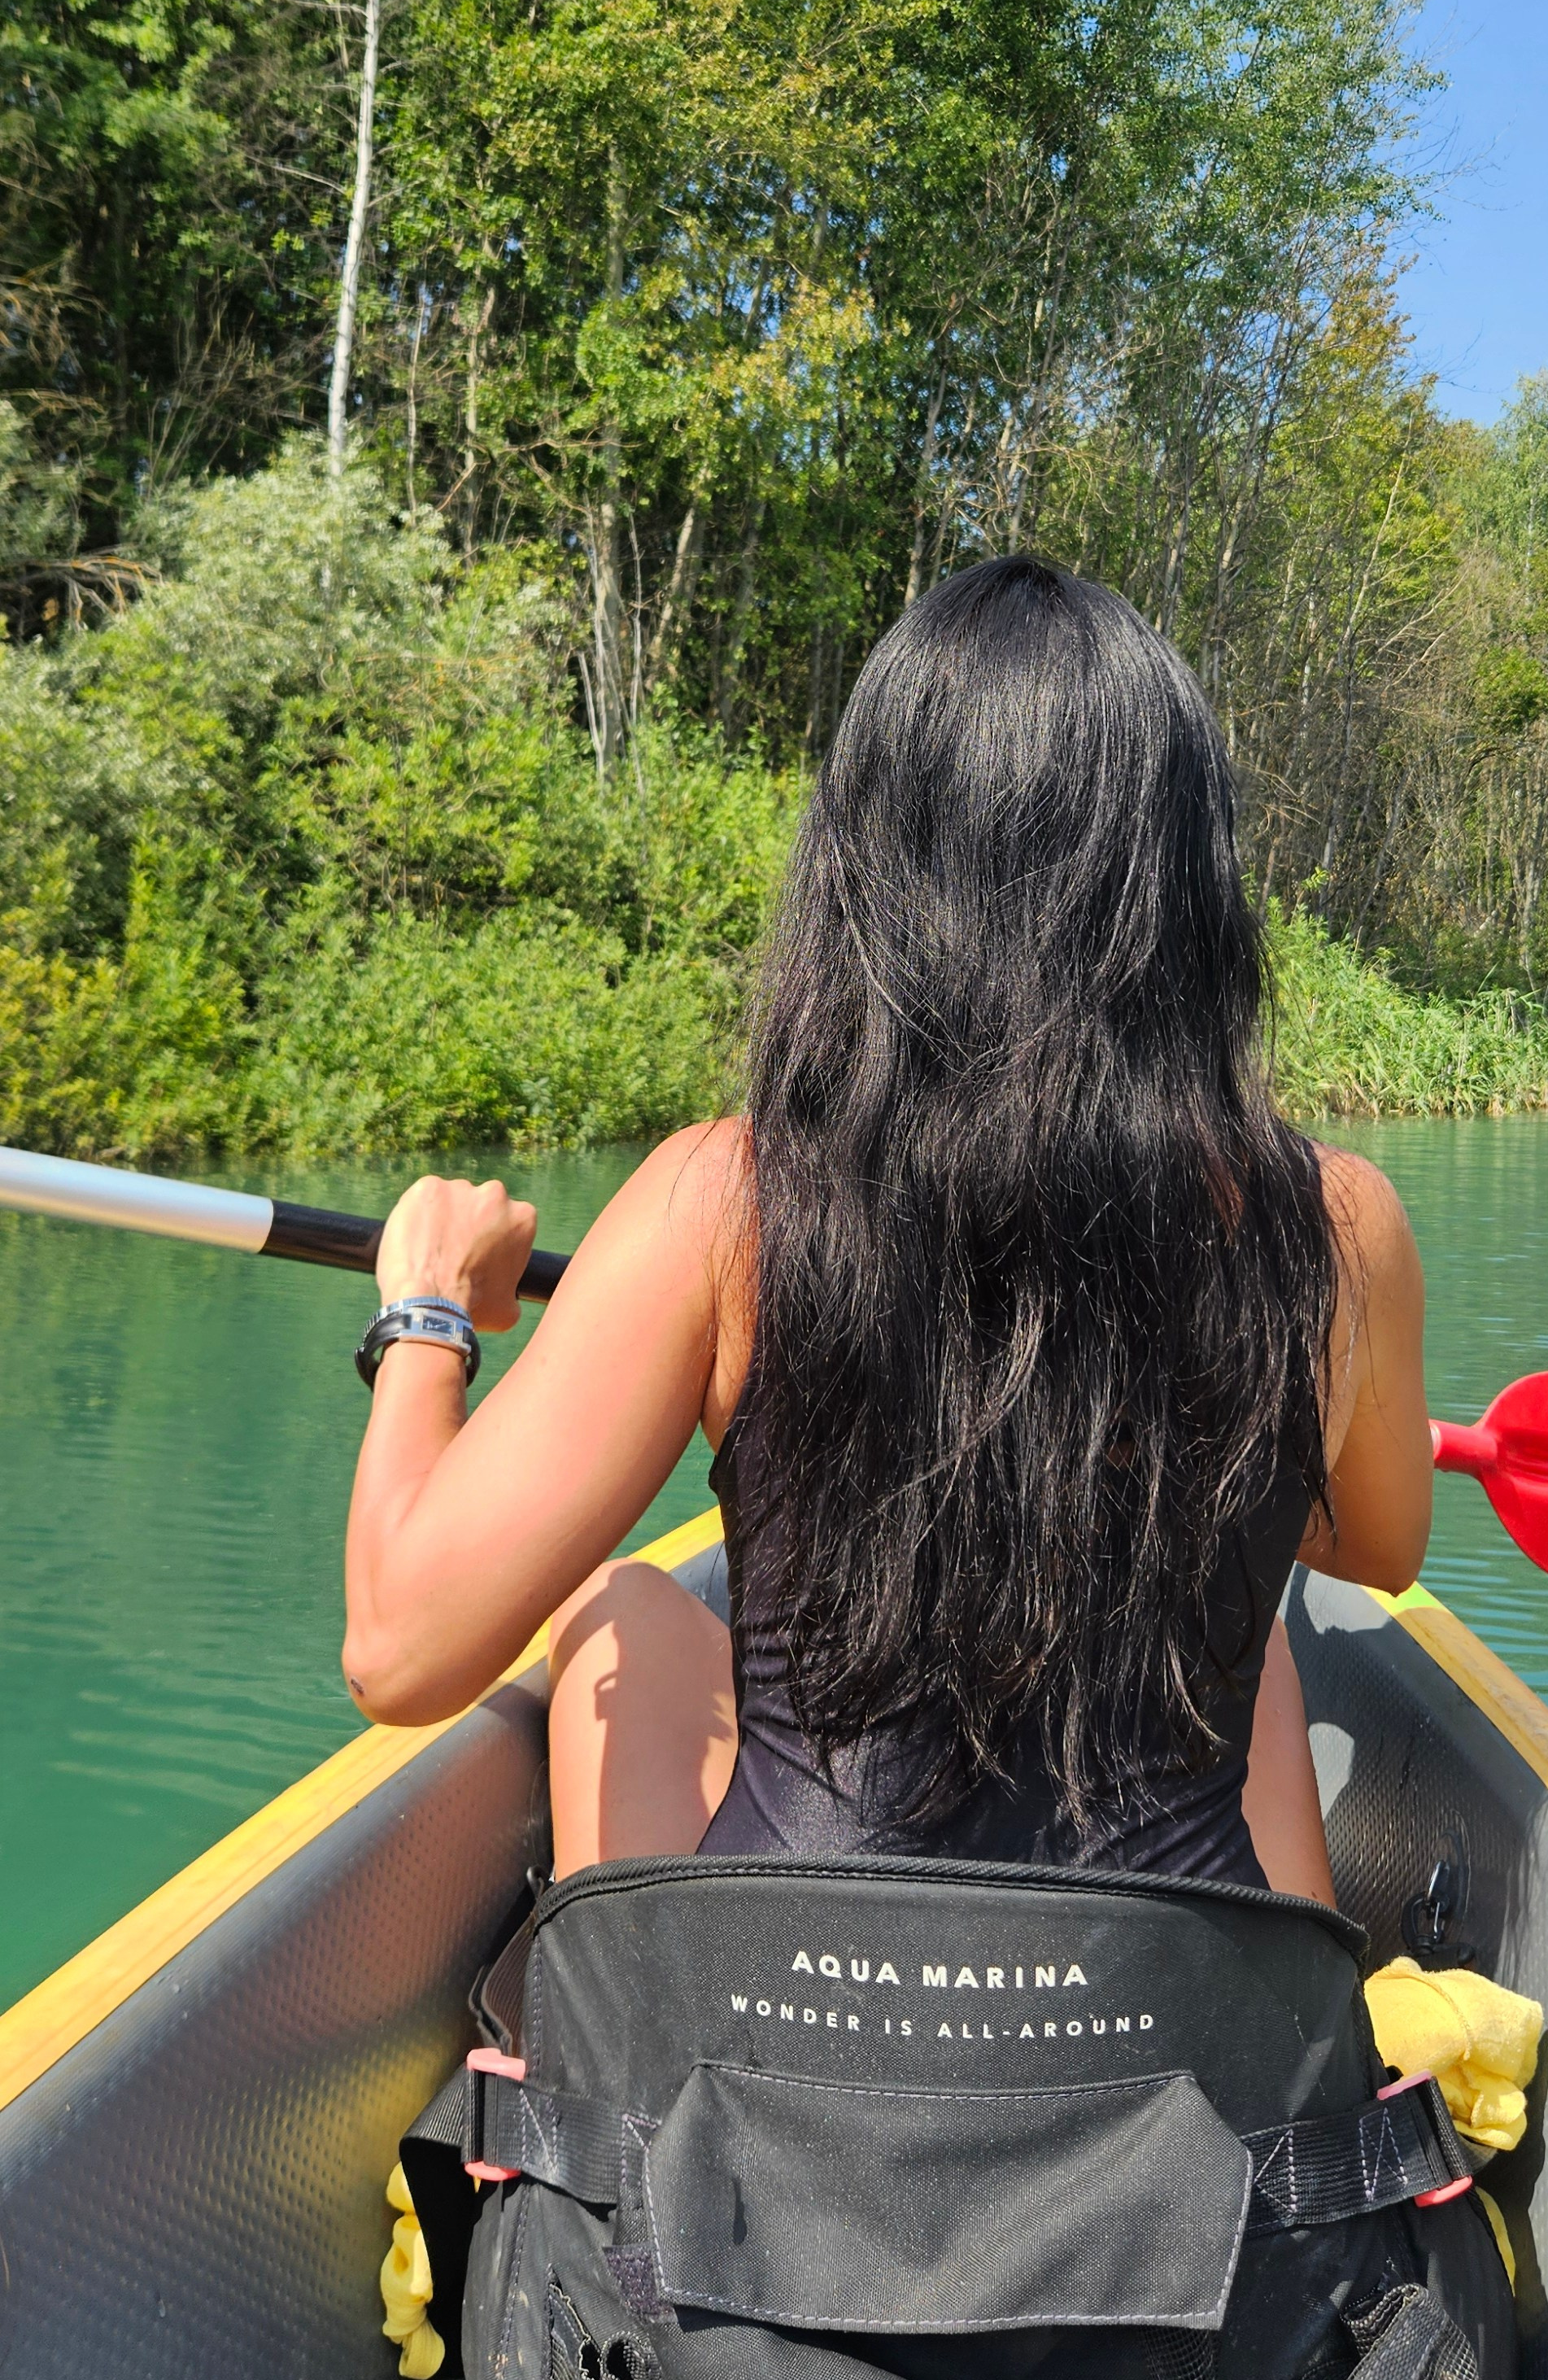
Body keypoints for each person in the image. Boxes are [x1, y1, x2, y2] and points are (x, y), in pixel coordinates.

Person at [341, 556, 1434, 1913]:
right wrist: (1208, 1427)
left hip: (780, 2082)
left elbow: (398, 1651)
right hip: (1177, 2088)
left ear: (861, 865)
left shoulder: (723, 1205)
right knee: (1248, 1650)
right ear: (1189, 888)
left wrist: (428, 1311)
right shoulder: (1339, 1229)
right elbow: (1378, 1548)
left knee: (620, 1605)